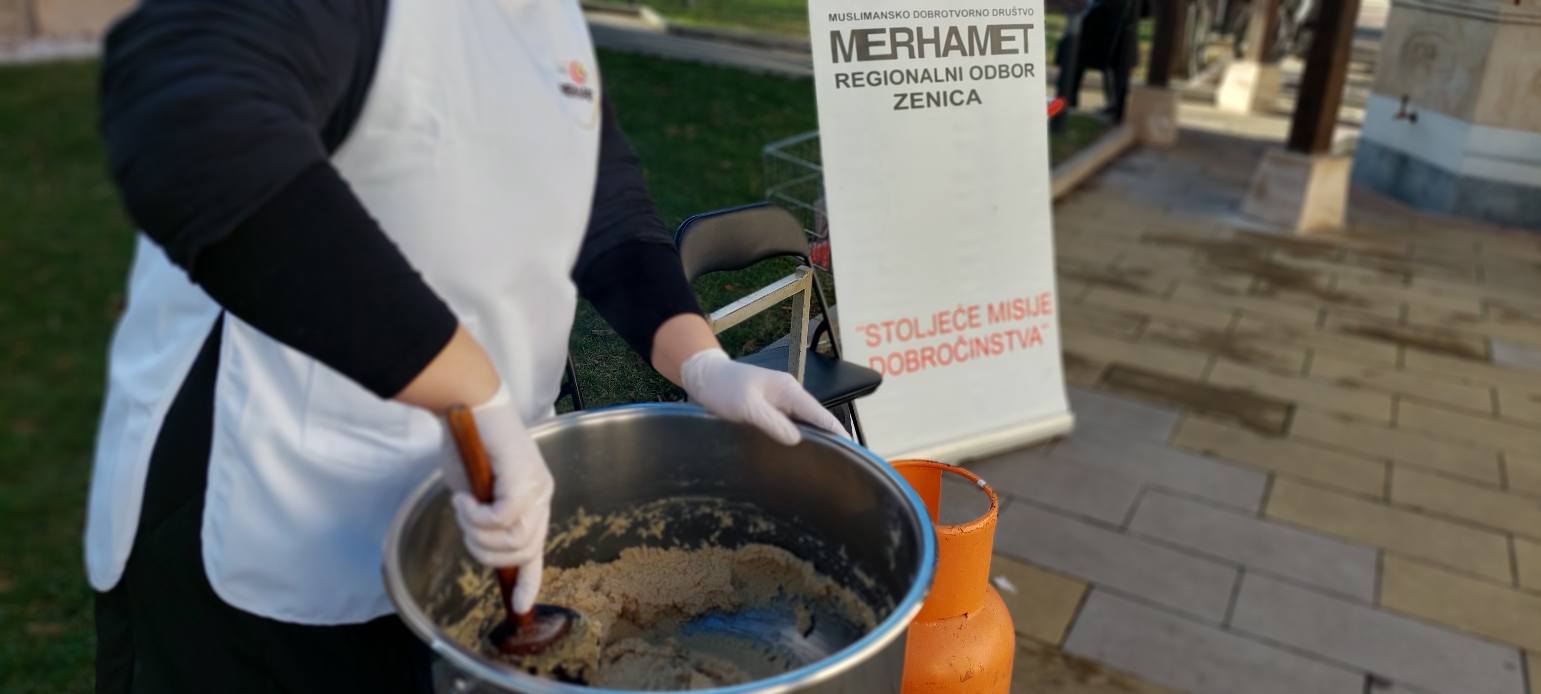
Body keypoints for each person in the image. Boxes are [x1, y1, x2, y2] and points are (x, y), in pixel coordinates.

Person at [84, 0, 846, 691]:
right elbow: (194, 130)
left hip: (474, 501)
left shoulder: (547, 20)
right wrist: (467, 387)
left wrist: (701, 361)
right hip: (263, 512)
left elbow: (604, 203)